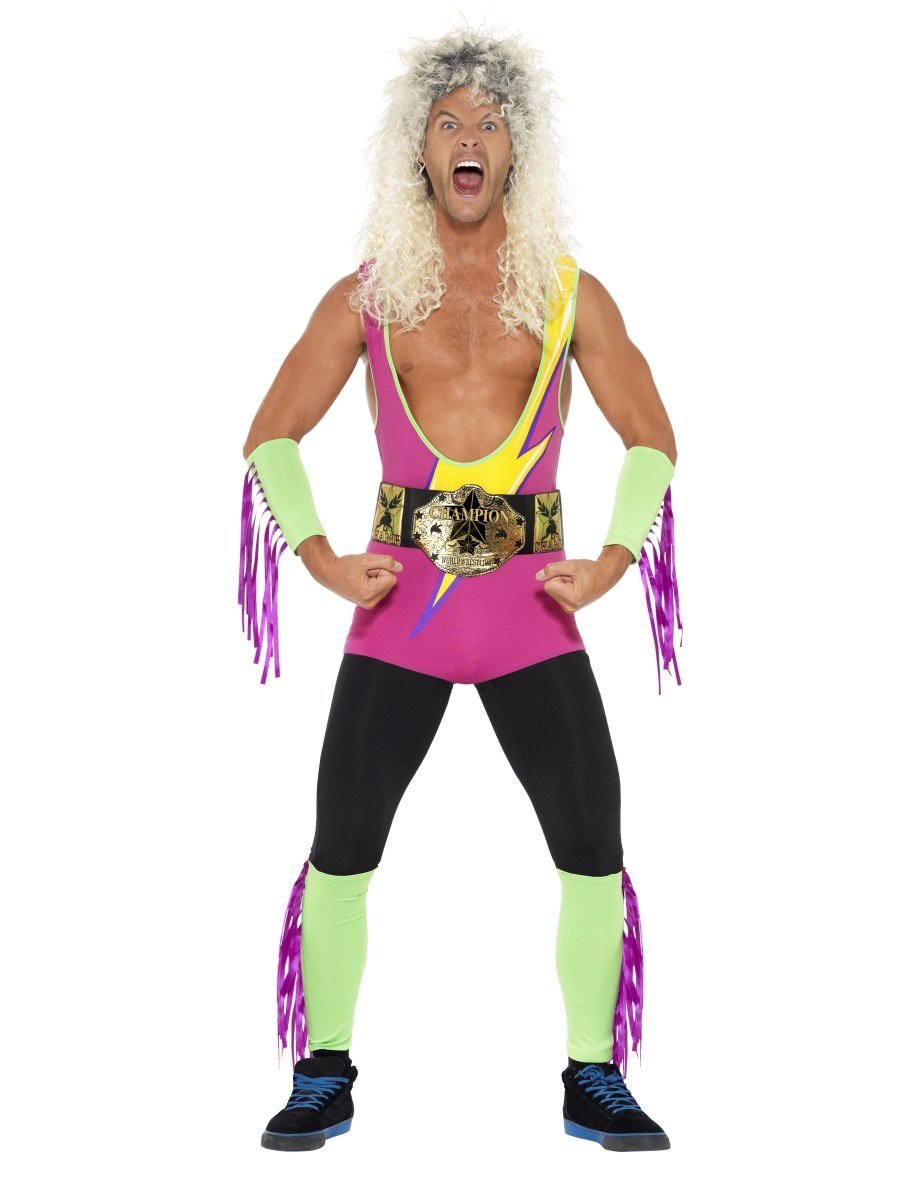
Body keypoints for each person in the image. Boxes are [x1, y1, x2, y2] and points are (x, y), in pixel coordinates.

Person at [238, 25, 682, 1154]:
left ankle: (594, 1076)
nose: (469, 136)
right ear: (421, 151)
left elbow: (651, 440)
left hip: (531, 614)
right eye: (449, 122)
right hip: (402, 615)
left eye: (490, 121)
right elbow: (271, 436)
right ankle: (323, 1071)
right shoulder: (368, 297)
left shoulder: (572, 296)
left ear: (515, 151)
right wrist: (321, 559)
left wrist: (614, 561)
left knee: (593, 840)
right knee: (343, 842)